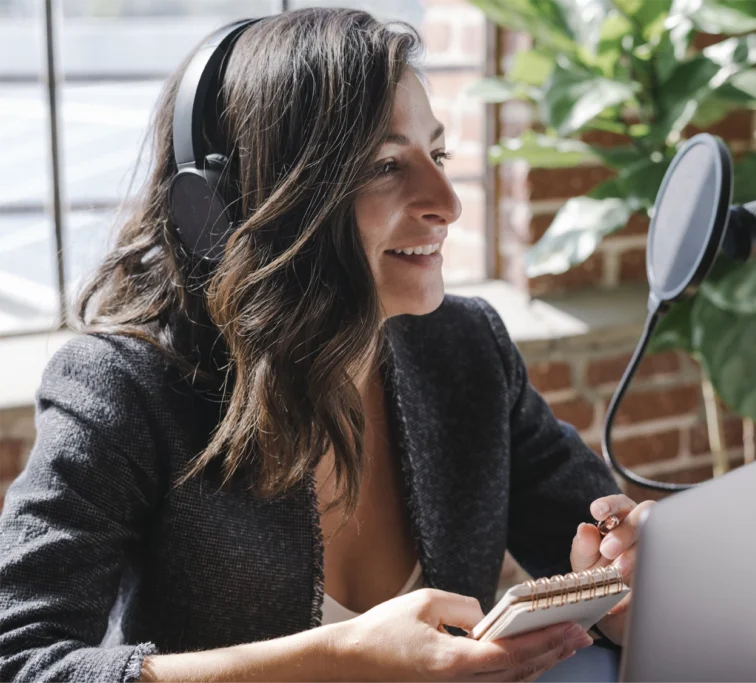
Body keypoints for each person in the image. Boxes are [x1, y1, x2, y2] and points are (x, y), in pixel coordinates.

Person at [0, 8, 655, 683]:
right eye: (384, 165)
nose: (446, 201)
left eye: (438, 154)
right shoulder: (124, 386)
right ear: (235, 203)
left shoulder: (467, 348)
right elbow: (20, 661)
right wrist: (335, 659)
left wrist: (628, 584)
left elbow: (606, 567)